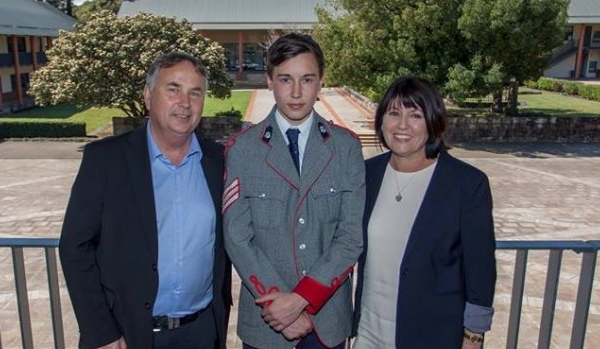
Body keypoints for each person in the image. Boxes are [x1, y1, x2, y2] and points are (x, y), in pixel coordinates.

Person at [59, 52, 231, 349]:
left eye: (195, 92)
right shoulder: (105, 160)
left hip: (201, 332)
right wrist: (101, 332)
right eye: (173, 89)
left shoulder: (218, 161)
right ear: (149, 96)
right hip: (126, 335)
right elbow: (75, 248)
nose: (185, 103)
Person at [223, 33, 365, 349]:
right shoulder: (243, 150)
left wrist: (302, 298)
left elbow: (351, 236)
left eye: (307, 79)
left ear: (321, 82)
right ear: (270, 80)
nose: (297, 92)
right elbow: (237, 237)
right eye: (286, 79)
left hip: (326, 321)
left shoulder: (345, 148)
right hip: (267, 320)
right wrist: (282, 308)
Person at [351, 76, 496, 349]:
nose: (403, 125)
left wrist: (473, 337)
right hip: (369, 333)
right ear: (381, 120)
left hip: (433, 335)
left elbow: (480, 269)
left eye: (415, 115)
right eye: (394, 113)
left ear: (433, 122)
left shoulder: (466, 184)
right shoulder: (367, 174)